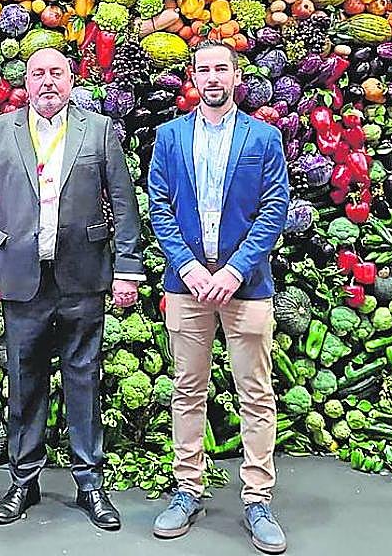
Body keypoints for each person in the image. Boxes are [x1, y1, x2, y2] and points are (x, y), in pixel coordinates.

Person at [0, 47, 144, 530]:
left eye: (56, 73)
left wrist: (127, 269)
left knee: (83, 378)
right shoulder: (0, 132)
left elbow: (125, 206)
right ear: (26, 81)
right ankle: (23, 479)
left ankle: (90, 483)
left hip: (82, 278)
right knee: (24, 382)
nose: (48, 82)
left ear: (71, 79)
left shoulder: (99, 130)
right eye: (38, 74)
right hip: (21, 278)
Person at [146, 40, 290, 554]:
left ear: (236, 76)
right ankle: (187, 489)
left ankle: (257, 498)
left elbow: (276, 208)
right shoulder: (169, 137)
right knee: (188, 389)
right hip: (186, 285)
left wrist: (234, 269)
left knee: (255, 392)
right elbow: (158, 204)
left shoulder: (264, 137)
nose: (212, 77)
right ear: (193, 76)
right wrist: (187, 265)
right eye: (203, 69)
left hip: (245, 286)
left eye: (221, 69)